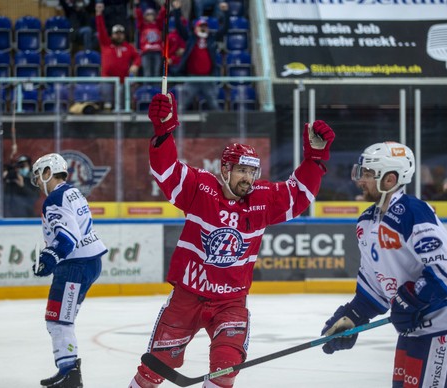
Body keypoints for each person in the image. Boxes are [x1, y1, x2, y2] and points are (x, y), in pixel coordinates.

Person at [129, 93, 335, 388]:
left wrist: (314, 159)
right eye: (242, 170)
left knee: (226, 368)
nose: (248, 178)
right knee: (153, 369)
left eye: (252, 171)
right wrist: (163, 133)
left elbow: (298, 195)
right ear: (225, 170)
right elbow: (167, 171)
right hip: (187, 297)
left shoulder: (262, 200)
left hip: (230, 302)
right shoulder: (201, 189)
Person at [320, 142, 447, 387]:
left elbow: (446, 269)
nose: (360, 180)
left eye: (368, 174)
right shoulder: (366, 223)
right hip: (411, 329)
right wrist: (354, 315)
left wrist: (411, 300)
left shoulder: (412, 212)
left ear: (389, 180)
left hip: (442, 328)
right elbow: (375, 286)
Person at [30, 153, 108, 388]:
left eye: (38, 175)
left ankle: (69, 373)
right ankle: (68, 368)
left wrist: (50, 257)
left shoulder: (55, 198)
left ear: (48, 172)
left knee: (58, 321)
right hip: (89, 262)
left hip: (74, 265)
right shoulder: (73, 192)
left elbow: (68, 236)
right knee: (63, 319)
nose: (37, 181)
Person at [170, 0, 229, 111]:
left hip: (207, 79)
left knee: (214, 105)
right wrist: (177, 10)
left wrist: (226, 13)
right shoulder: (190, 38)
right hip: (192, 79)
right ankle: (173, 127)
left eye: (205, 27)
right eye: (200, 26)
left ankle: (223, 127)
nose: (203, 28)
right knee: (181, 106)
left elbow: (225, 30)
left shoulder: (211, 39)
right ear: (195, 28)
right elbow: (179, 27)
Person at [95, 2, 141, 110]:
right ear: (112, 35)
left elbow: (137, 57)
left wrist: (135, 65)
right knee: (108, 106)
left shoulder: (128, 47)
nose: (118, 35)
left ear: (124, 35)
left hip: (124, 81)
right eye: (116, 33)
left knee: (125, 105)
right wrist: (98, 14)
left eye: (120, 33)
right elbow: (101, 29)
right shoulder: (106, 43)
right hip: (108, 80)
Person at [133, 1, 166, 78]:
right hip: (146, 53)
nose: (150, 16)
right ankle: (147, 89)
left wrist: (165, 5)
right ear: (145, 16)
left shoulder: (158, 25)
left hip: (157, 52)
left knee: (156, 73)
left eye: (152, 14)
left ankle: (155, 89)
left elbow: (162, 15)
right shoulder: (142, 26)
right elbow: (139, 16)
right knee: (147, 73)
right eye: (148, 15)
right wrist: (137, 5)